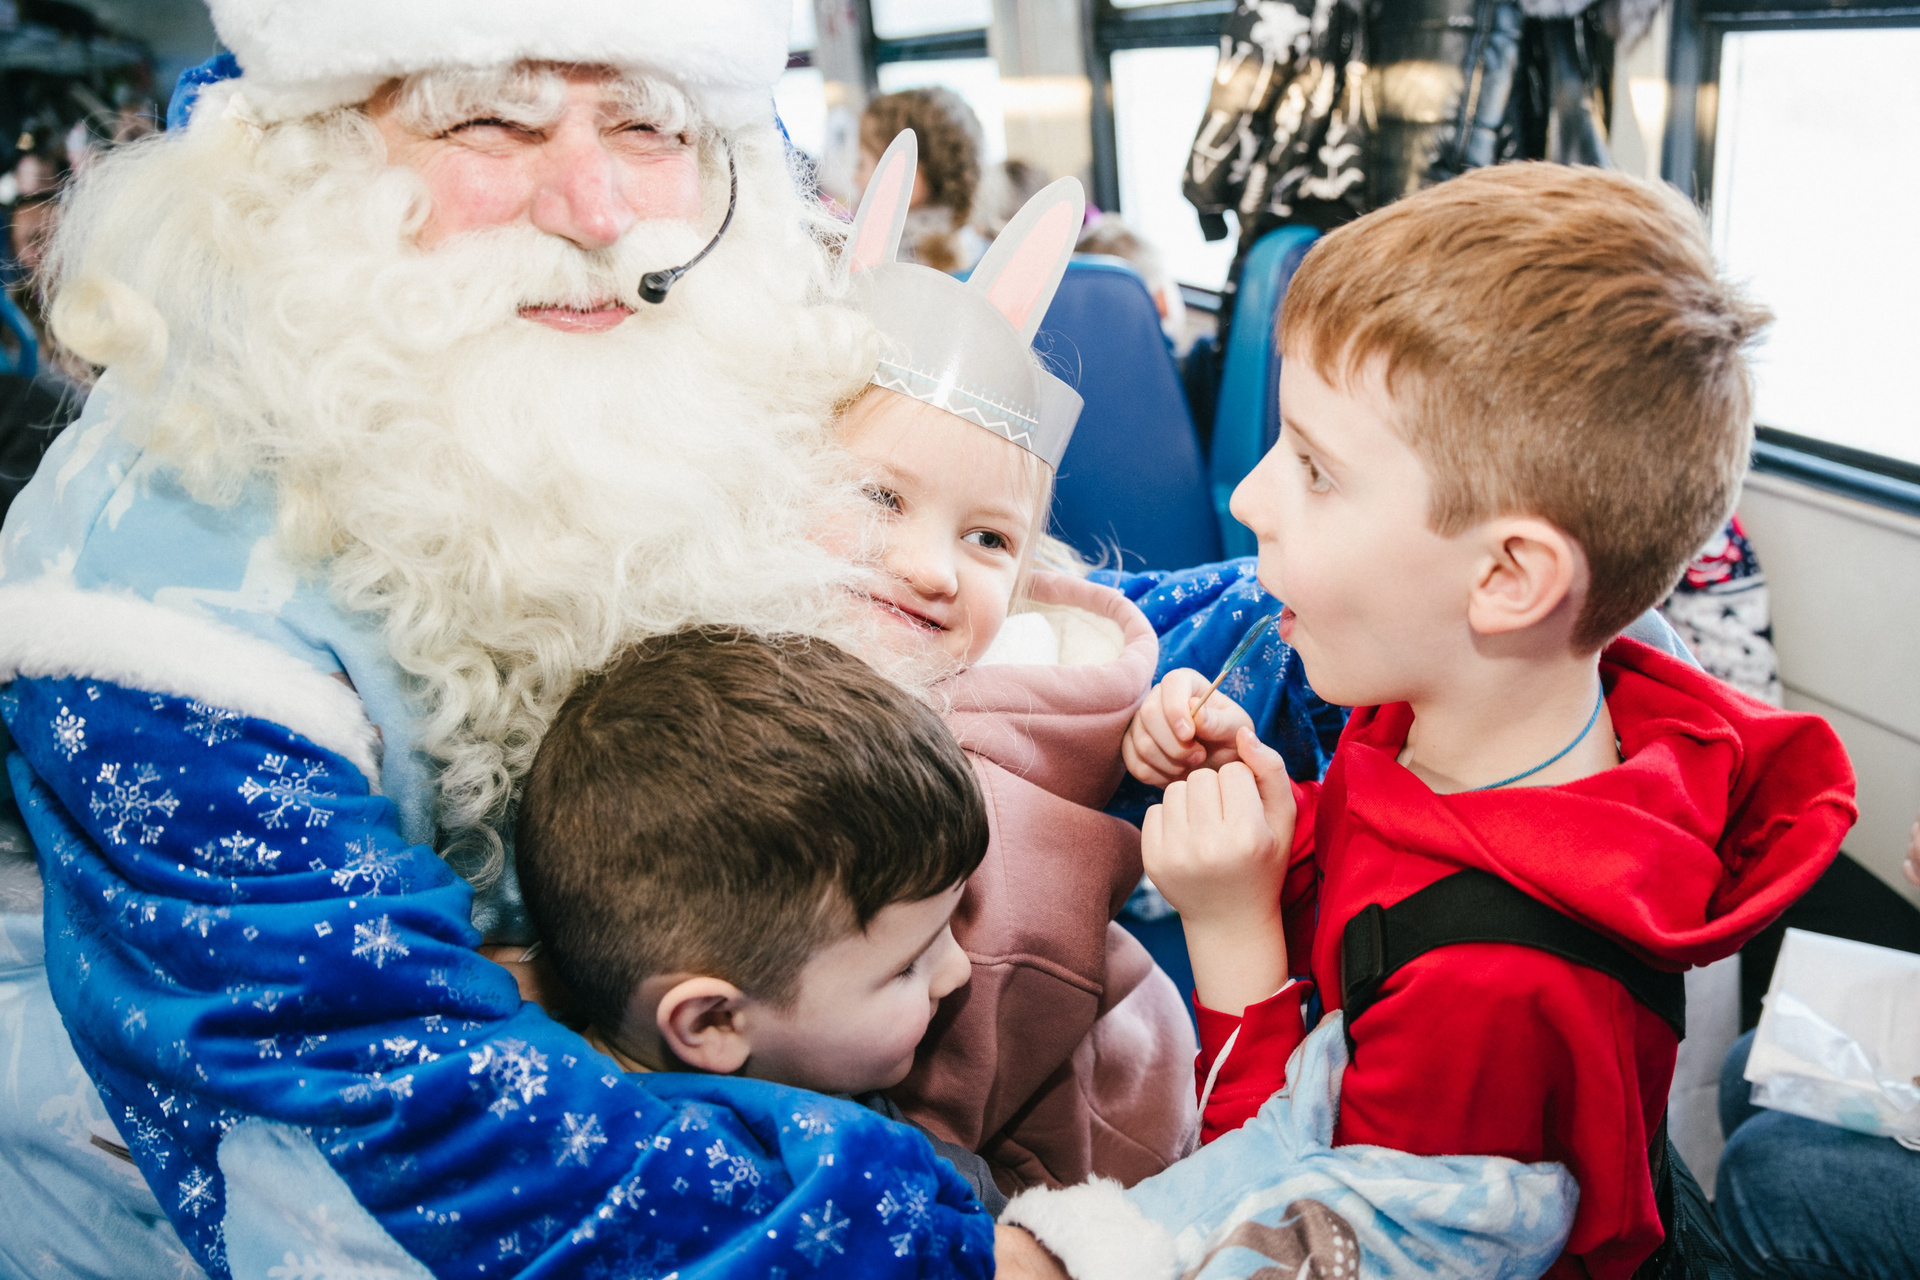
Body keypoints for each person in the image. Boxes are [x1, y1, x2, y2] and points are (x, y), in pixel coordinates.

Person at [0, 4, 1005, 1275]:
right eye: (487, 119)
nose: (596, 210)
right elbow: (384, 1102)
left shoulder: (672, 376)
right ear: (302, 162)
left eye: (648, 127)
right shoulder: (147, 590)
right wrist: (958, 1248)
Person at [997, 163, 1859, 1279]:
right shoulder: (1446, 720)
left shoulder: (1491, 992)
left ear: (1507, 578)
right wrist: (1280, 820)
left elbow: (1296, 1222)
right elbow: (1384, 869)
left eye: (1315, 470)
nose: (1250, 497)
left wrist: (1229, 932)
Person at [828, 133, 1198, 1191]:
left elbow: (934, 1116)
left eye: (988, 538)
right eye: (879, 498)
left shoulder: (996, 808)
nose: (930, 569)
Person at [515, 627, 1008, 1208]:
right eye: (905, 967)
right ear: (714, 1022)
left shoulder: (495, 1091)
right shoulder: (878, 1185)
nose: (958, 971)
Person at [856, 87, 988, 274]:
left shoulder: (890, 267)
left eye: (862, 164)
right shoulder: (980, 248)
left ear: (909, 173)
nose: (856, 178)